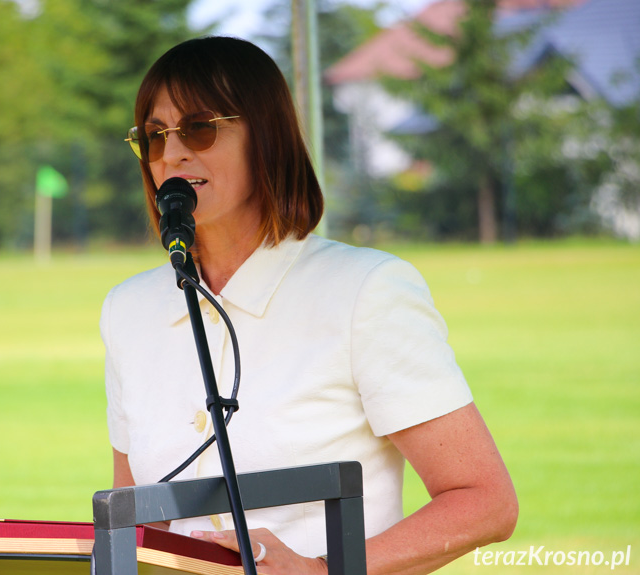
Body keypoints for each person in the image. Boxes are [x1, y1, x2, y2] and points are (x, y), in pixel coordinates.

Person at [100, 36, 518, 574]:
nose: (173, 153)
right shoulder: (126, 309)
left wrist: (322, 572)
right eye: (154, 136)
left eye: (199, 127)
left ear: (266, 137)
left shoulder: (367, 289)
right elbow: (137, 521)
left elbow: (485, 501)